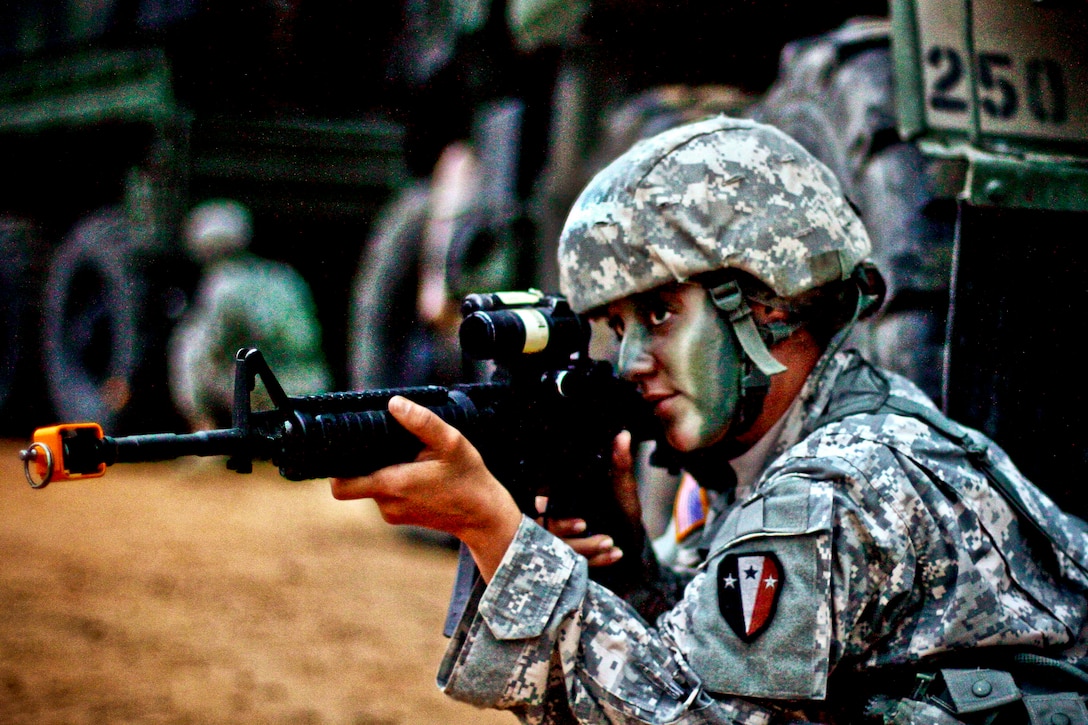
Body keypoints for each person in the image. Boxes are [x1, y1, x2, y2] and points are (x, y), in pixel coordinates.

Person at [329, 116, 1088, 723]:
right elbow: (717, 665)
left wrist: (500, 533)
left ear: (770, 304)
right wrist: (633, 575)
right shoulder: (793, 445)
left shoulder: (838, 483)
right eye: (618, 327)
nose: (629, 362)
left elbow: (688, 715)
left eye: (658, 314)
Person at [168, 199, 331, 431]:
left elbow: (210, 348)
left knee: (186, 346)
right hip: (311, 383)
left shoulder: (221, 284)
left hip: (268, 389)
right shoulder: (281, 275)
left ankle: (205, 431)